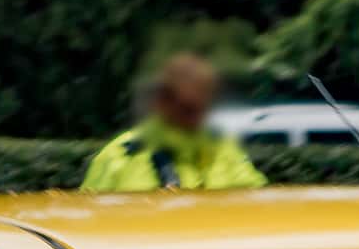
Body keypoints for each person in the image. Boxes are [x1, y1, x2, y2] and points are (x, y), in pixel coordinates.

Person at [81, 54, 266, 192]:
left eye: (204, 107)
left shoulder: (225, 150)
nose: (198, 118)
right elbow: (88, 222)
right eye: (188, 108)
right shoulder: (119, 155)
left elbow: (257, 208)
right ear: (162, 103)